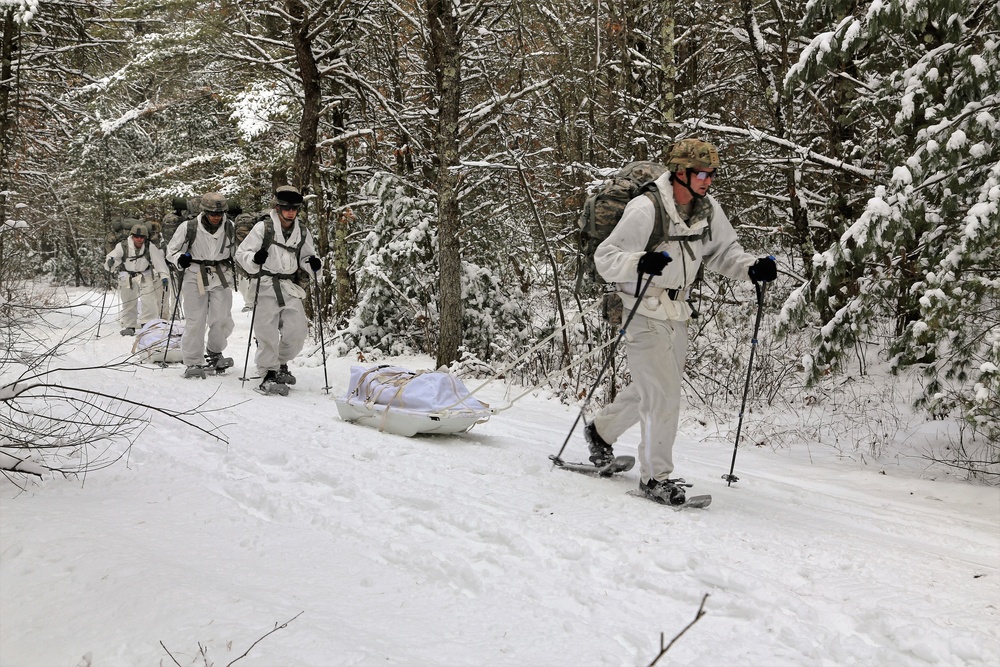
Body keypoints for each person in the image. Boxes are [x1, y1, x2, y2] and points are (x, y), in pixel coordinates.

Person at [585, 138, 778, 505]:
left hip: (677, 313)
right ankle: (655, 478)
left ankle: (601, 432)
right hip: (641, 310)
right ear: (680, 171)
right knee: (663, 395)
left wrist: (752, 267)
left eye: (712, 174)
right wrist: (639, 262)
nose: (708, 180)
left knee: (652, 388)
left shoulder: (707, 209)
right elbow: (606, 257)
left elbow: (725, 252)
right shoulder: (646, 208)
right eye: (702, 173)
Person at [235, 185, 321, 395]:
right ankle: (268, 373)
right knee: (266, 332)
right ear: (277, 207)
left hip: (288, 286)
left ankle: (279, 363)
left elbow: (307, 255)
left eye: (294, 208)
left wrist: (314, 265)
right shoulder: (263, 228)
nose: (290, 211)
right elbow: (242, 253)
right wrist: (255, 259)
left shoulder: (302, 230)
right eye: (286, 207)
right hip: (264, 284)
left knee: (297, 332)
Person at [166, 192, 237, 378]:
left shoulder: (230, 227)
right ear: (205, 212)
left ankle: (214, 352)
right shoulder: (188, 227)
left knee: (222, 318)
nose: (216, 217)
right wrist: (179, 259)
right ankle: (193, 361)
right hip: (194, 274)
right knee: (195, 320)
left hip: (220, 274)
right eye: (213, 213)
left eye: (220, 214)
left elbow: (238, 251)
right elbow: (171, 250)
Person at [105, 222, 170, 336]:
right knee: (128, 301)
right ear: (132, 236)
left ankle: (148, 323)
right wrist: (110, 263)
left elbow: (159, 262)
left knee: (149, 300)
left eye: (142, 237)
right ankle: (130, 325)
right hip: (127, 275)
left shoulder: (150, 246)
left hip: (145, 274)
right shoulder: (122, 246)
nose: (139, 239)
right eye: (137, 237)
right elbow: (113, 257)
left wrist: (164, 276)